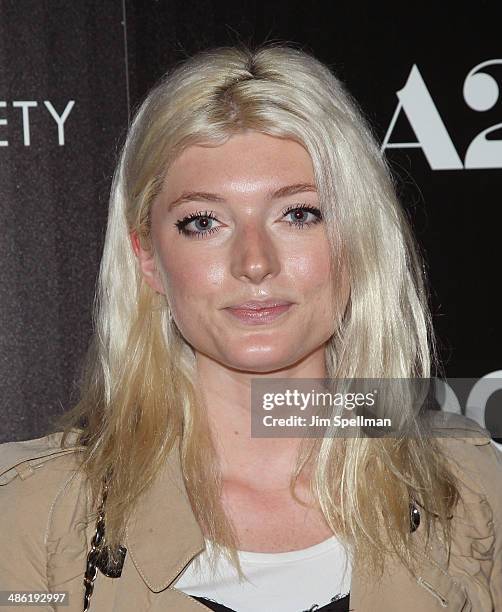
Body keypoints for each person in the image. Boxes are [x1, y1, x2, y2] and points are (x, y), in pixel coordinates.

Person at [1, 42, 501, 612]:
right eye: (204, 222)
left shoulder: (472, 491)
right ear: (146, 256)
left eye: (298, 214)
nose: (254, 262)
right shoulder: (31, 514)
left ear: (358, 238)